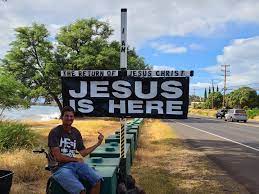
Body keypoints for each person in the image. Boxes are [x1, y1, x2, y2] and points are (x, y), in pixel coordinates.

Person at [48, 106, 104, 194]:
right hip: (59, 168)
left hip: (74, 164)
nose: (69, 118)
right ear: (61, 117)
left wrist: (98, 143)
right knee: (81, 191)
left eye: (71, 116)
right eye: (66, 116)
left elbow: (83, 152)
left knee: (97, 180)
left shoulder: (75, 132)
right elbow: (58, 157)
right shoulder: (55, 132)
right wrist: (76, 159)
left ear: (74, 118)